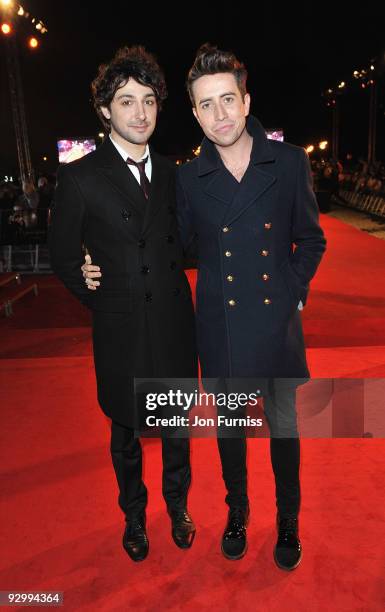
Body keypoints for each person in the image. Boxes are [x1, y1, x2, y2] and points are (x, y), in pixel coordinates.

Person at [83, 44, 326, 570]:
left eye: (227, 100)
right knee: (232, 438)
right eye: (206, 105)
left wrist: (292, 289)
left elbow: (311, 240)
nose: (220, 115)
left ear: (245, 100)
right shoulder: (188, 179)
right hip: (222, 329)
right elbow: (163, 240)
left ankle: (288, 521)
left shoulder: (288, 163)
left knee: (284, 435)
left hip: (277, 325)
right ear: (194, 113)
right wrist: (95, 256)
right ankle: (237, 513)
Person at [49, 46, 197, 562]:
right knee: (126, 434)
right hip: (122, 330)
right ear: (105, 110)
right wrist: (101, 295)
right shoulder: (81, 177)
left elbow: (187, 241)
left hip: (176, 326)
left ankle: (177, 506)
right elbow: (65, 258)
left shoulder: (177, 172)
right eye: (127, 101)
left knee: (178, 431)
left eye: (150, 101)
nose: (141, 113)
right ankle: (134, 515)